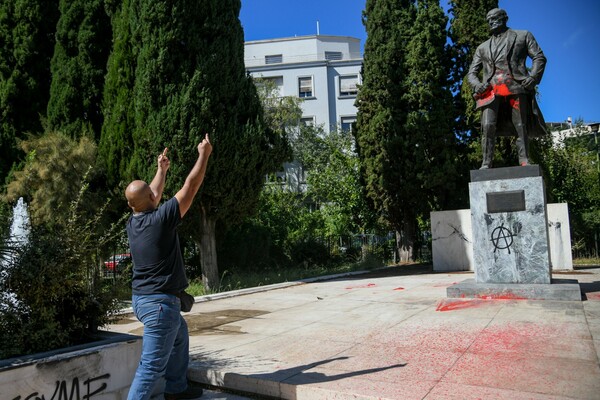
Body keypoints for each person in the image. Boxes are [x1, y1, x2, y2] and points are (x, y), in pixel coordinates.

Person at [125, 134, 212, 400]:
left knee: (179, 336)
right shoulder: (162, 220)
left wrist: (161, 170)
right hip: (160, 305)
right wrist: (204, 154)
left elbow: (151, 194)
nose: (156, 194)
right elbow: (191, 184)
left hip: (142, 300)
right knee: (150, 367)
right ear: (150, 200)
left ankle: (176, 390)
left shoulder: (133, 222)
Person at [466, 8, 548, 169]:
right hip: (490, 91)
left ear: (505, 18)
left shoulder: (523, 35)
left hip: (516, 85)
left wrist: (533, 78)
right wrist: (477, 85)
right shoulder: (482, 47)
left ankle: (524, 160)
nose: (491, 21)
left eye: (495, 18)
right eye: (488, 19)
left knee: (520, 125)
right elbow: (472, 73)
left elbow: (539, 57)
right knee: (488, 126)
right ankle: (486, 163)